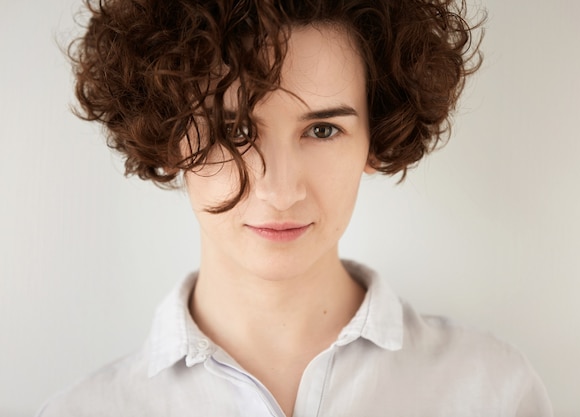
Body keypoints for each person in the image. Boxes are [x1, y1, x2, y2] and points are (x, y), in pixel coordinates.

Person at [38, 0, 553, 416]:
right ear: (170, 137)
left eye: (323, 130)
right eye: (234, 132)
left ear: (376, 136)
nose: (280, 190)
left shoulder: (493, 394)